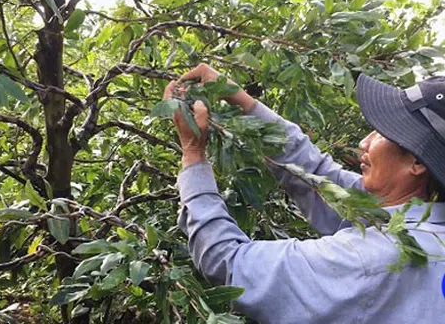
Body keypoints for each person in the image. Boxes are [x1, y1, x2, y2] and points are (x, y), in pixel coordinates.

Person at [163, 63, 445, 324]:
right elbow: (318, 177)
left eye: (384, 133)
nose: (364, 141)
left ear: (417, 163)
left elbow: (230, 263)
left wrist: (193, 153)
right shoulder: (422, 224)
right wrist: (240, 99)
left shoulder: (370, 259)